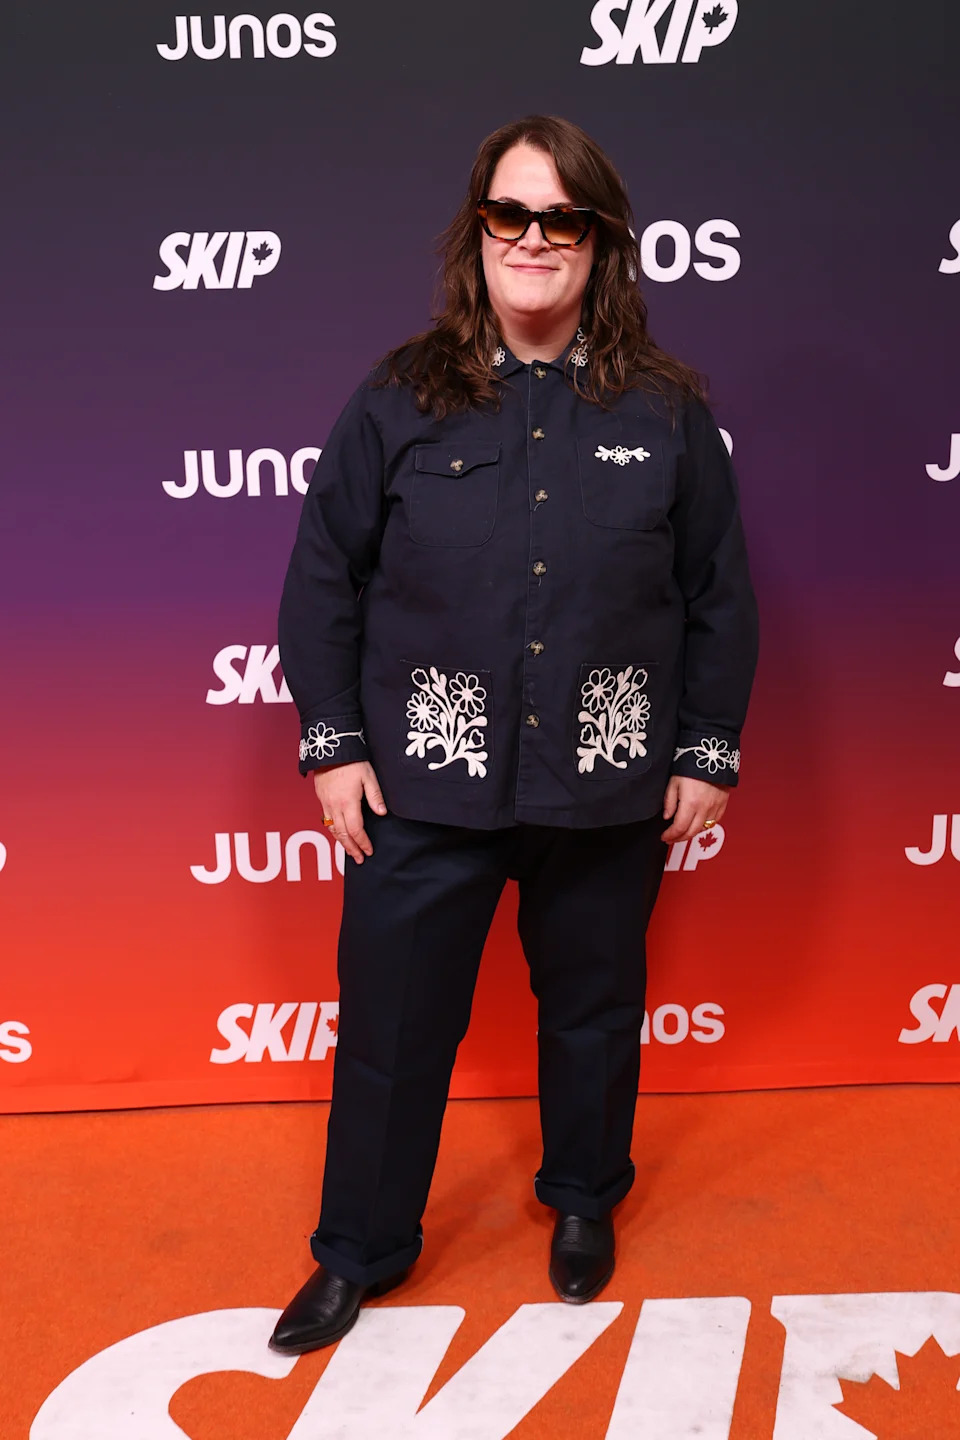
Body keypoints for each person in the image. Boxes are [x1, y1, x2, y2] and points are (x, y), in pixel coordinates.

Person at [271, 114, 758, 1354]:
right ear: (477, 232)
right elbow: (324, 575)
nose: (533, 239)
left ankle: (585, 1200)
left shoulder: (666, 411)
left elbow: (717, 591)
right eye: (510, 214)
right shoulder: (399, 395)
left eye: (561, 218)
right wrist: (333, 743)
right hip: (422, 786)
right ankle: (359, 1249)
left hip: (604, 783)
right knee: (390, 1030)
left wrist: (705, 748)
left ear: (599, 242)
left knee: (593, 1011)